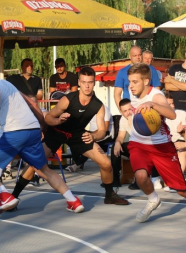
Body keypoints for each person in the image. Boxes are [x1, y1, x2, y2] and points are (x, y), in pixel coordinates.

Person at [0, 60, 85, 215]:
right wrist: (42, 125)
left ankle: (4, 195)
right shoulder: (8, 85)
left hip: (14, 131)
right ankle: (73, 201)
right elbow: (32, 103)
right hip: (32, 129)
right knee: (43, 169)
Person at [13, 66, 129, 206]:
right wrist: (58, 120)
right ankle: (13, 197)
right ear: (79, 82)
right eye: (84, 82)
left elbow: (102, 131)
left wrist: (93, 136)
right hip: (57, 132)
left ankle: (110, 195)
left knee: (106, 163)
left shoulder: (98, 106)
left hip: (77, 134)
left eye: (90, 82)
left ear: (94, 83)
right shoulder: (68, 99)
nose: (87, 85)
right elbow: (48, 118)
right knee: (34, 163)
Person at [126, 64, 186, 222]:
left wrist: (153, 105)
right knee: (141, 175)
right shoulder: (132, 93)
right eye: (130, 81)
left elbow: (171, 114)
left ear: (146, 81)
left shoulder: (156, 96)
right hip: (138, 144)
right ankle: (153, 200)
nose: (131, 85)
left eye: (135, 82)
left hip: (161, 147)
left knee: (181, 188)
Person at [112, 98, 133, 187]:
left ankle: (138, 181)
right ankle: (115, 178)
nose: (128, 113)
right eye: (125, 111)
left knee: (135, 147)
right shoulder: (123, 119)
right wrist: (117, 143)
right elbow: (121, 136)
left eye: (130, 109)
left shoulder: (138, 116)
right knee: (115, 147)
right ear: (121, 112)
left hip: (143, 146)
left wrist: (132, 123)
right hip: (133, 146)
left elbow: (141, 137)